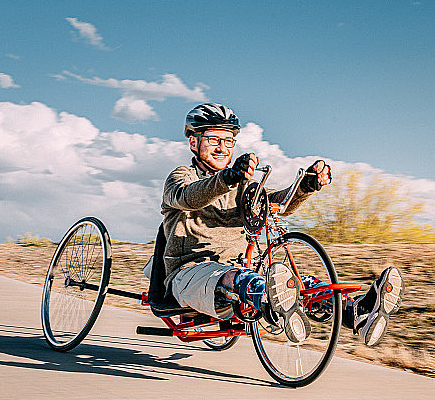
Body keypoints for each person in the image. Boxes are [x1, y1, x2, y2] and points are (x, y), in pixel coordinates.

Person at [159, 102, 404, 346]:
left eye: (229, 141)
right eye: (214, 140)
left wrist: (305, 186)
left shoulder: (243, 186)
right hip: (190, 272)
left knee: (299, 284)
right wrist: (227, 177)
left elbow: (277, 203)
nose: (223, 148)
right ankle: (277, 308)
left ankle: (359, 312)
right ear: (194, 142)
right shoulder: (181, 177)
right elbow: (188, 197)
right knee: (243, 280)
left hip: (241, 268)